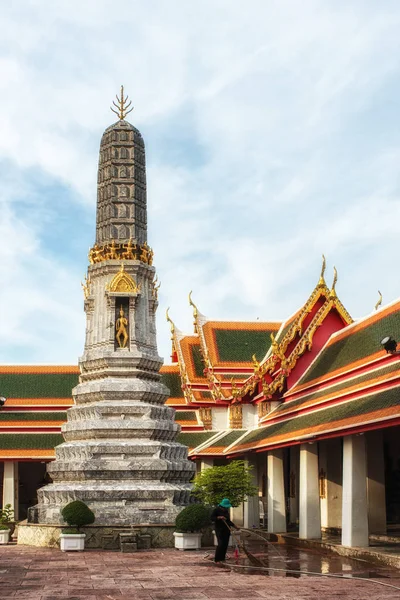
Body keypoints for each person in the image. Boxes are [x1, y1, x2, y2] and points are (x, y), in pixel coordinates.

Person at [211, 498, 239, 565]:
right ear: (222, 506)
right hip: (219, 529)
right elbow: (212, 518)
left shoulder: (226, 511)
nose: (226, 508)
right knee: (220, 544)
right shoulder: (216, 510)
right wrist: (219, 517)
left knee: (225, 545)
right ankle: (217, 559)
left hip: (226, 529)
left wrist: (235, 526)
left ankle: (222, 558)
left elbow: (228, 521)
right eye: (225, 507)